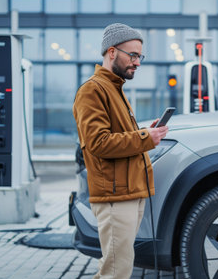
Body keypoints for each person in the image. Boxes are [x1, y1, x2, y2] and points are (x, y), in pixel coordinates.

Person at [72, 23, 168, 279]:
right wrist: (146, 137)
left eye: (140, 56)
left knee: (118, 266)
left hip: (129, 193)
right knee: (116, 270)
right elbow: (99, 143)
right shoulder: (92, 90)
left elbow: (120, 136)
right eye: (133, 55)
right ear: (112, 52)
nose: (137, 62)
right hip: (116, 196)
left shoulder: (115, 89)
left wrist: (146, 133)